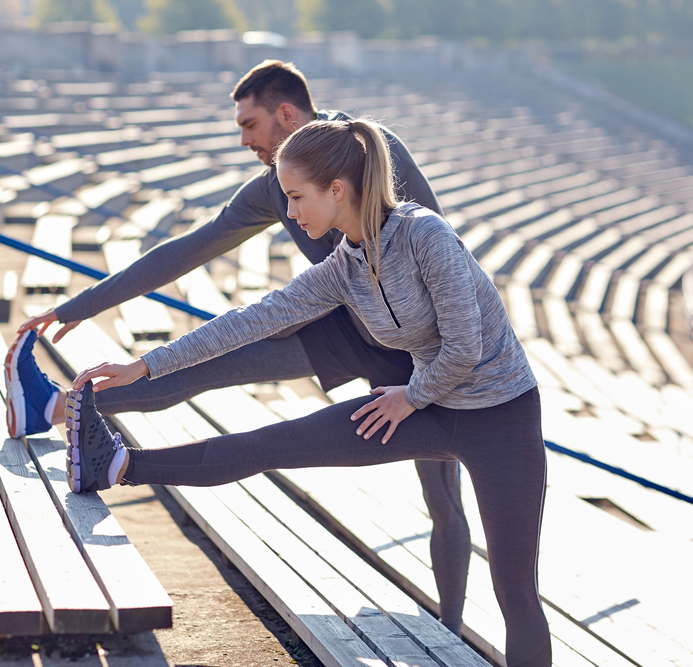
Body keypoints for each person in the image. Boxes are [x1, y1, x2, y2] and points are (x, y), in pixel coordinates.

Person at [59, 119, 551, 667]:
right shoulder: (343, 266)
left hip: (501, 421)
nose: (290, 213)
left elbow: (466, 346)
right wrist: (145, 366)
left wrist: (411, 396)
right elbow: (252, 320)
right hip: (427, 406)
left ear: (337, 190)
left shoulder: (425, 236)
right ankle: (116, 466)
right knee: (272, 443)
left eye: (296, 197)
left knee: (515, 592)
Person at [8, 60, 475, 634]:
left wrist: (432, 369)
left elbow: (442, 249)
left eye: (249, 124)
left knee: (441, 492)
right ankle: (54, 407)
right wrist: (79, 307)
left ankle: (452, 636)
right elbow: (186, 250)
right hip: (340, 329)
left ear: (285, 113)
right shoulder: (271, 191)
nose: (244, 139)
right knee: (207, 364)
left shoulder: (373, 149)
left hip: (415, 350)